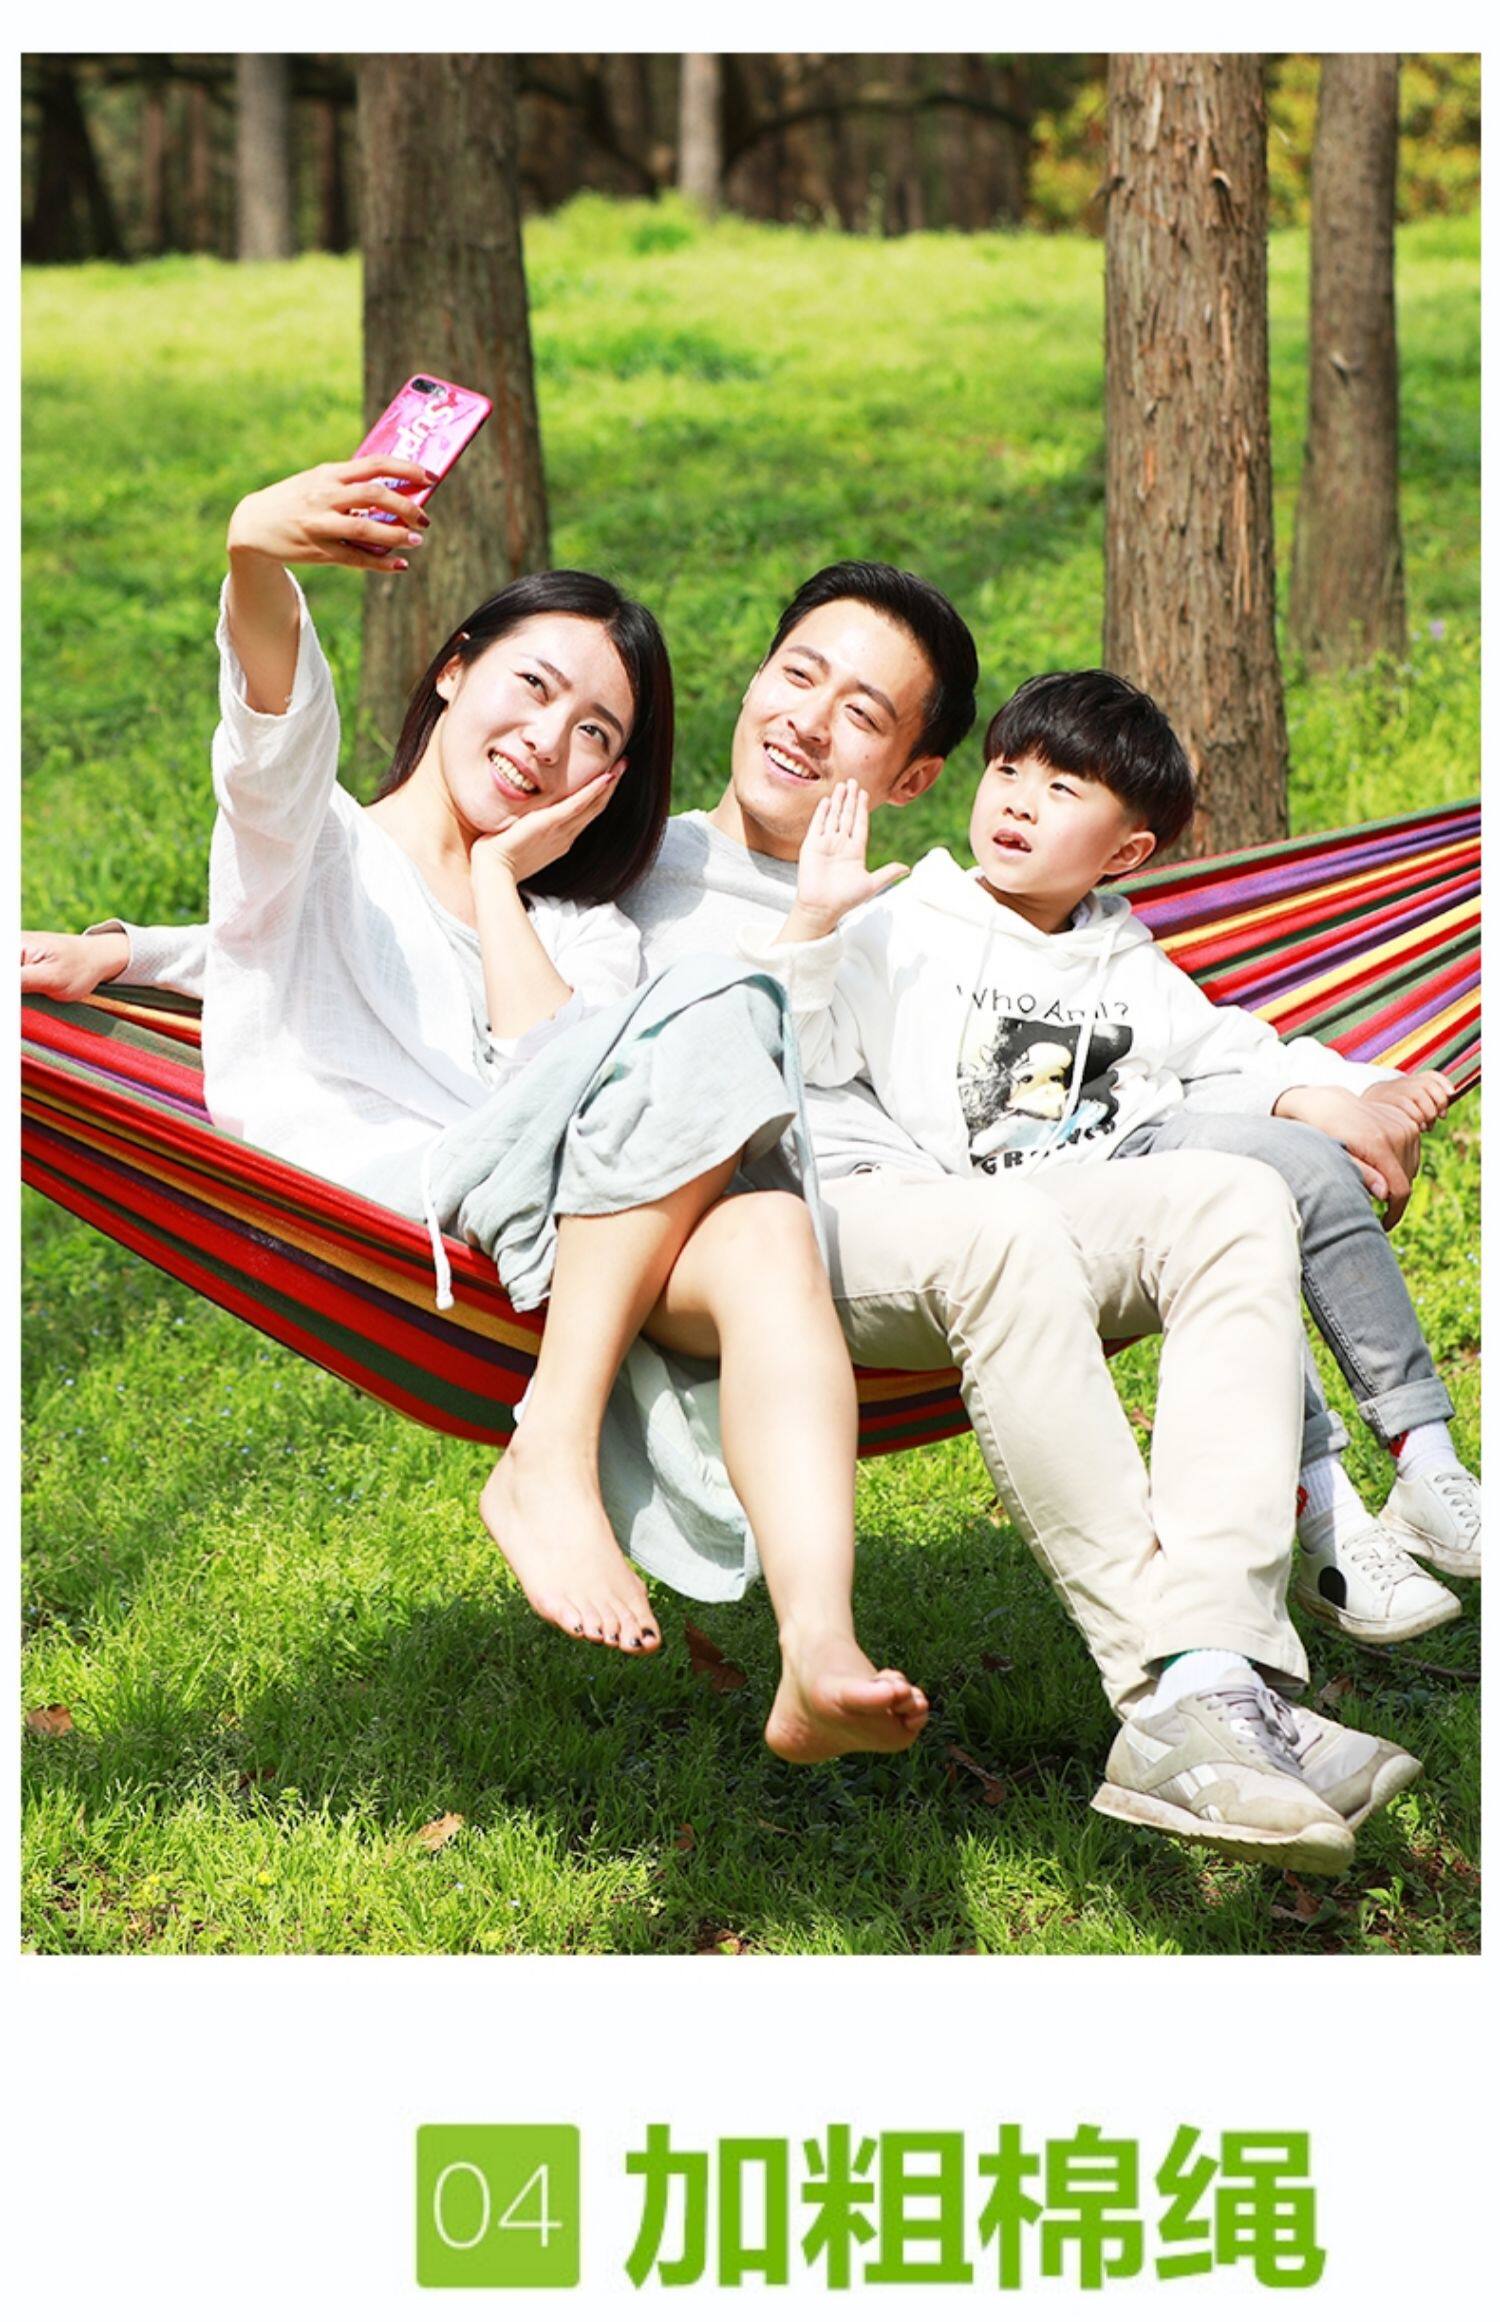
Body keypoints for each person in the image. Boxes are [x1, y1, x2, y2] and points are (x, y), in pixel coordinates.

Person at [23, 562, 1420, 1872]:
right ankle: (1173, 1688)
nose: (808, 720)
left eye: (860, 712)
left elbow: (1118, 1014)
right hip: (767, 1233)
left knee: (1234, 1201)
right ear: (754, 679)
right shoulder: (623, 868)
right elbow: (382, 941)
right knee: (974, 1222)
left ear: (913, 776)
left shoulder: (926, 908)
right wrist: (130, 953)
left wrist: (1315, 1086)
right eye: (797, 674)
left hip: (946, 1203)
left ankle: (1218, 1671)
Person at [38, 451, 936, 1769]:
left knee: (768, 1230)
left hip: (569, 1218)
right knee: (724, 1003)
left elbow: (555, 1069)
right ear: (455, 667)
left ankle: (818, 1651)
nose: (549, 741)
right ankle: (549, 1450)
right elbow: (272, 743)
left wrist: (508, 889)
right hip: (408, 1202)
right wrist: (253, 549)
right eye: (534, 686)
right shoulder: (314, 842)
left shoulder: (581, 924)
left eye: (599, 735)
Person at [761, 668, 1480, 1658]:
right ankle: (1326, 1505)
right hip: (1027, 1218)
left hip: (1144, 1156)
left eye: (1062, 789)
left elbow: (1226, 1050)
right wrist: (815, 925)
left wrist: (1342, 1092)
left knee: (1295, 1163)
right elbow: (801, 1052)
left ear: (1125, 852)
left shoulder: (1125, 956)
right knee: (1239, 1206)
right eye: (1007, 771)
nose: (1019, 801)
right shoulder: (903, 927)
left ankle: (1424, 1459)